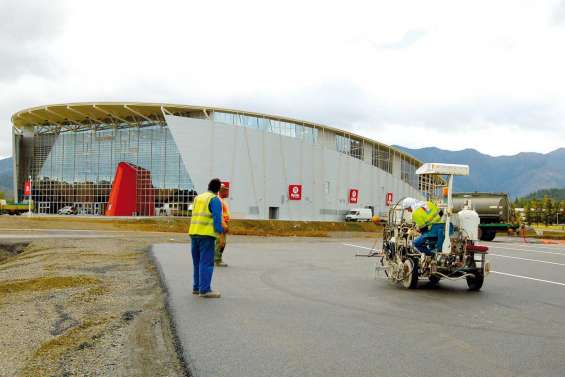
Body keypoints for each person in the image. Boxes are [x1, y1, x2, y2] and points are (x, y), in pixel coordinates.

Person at [188, 178, 225, 298]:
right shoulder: (214, 200)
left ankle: (196, 287)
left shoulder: (198, 198)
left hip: (194, 233)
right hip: (206, 235)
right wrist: (220, 235)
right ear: (218, 189)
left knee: (197, 262)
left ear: (208, 186)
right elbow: (217, 219)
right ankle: (205, 290)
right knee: (207, 262)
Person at [215, 184, 231, 267]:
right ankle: (217, 260)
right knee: (220, 242)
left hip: (223, 223)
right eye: (226, 190)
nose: (228, 192)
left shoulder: (222, 200)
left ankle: (217, 258)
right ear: (222, 191)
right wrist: (224, 225)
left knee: (222, 242)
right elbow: (219, 214)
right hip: (221, 224)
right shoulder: (219, 201)